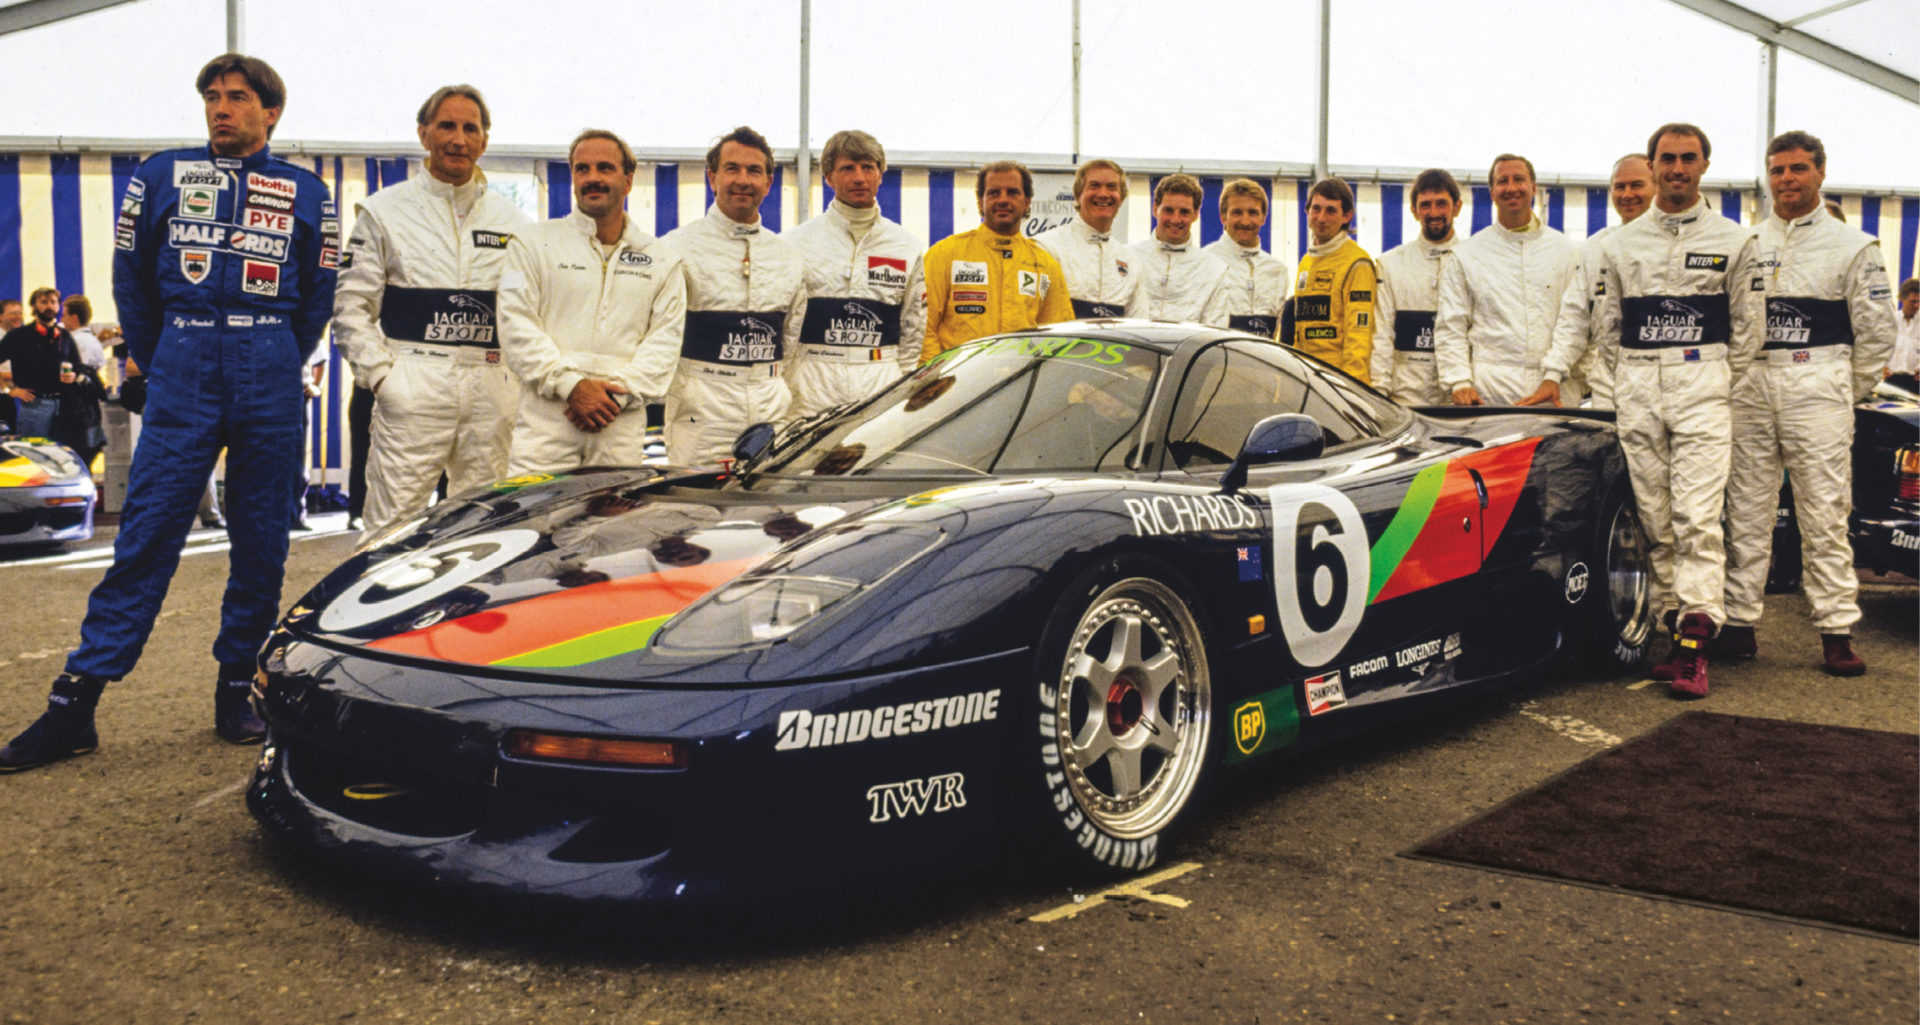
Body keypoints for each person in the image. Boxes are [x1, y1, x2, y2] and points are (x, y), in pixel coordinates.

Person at [0, 53, 337, 771]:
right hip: (183, 362)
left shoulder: (308, 191)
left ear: (270, 112)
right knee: (147, 532)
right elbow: (132, 277)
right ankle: (75, 704)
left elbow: (317, 293)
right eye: (212, 97)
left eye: (238, 98)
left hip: (270, 365)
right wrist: (165, 357)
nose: (221, 109)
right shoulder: (157, 175)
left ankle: (234, 688)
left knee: (262, 540)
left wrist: (275, 351)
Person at [1523, 122, 1762, 698]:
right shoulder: (1617, 246)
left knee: (1698, 515)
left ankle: (1694, 643)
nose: (1677, 169)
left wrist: (1704, 376)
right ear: (1653, 167)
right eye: (1667, 159)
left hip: (1703, 384)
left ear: (1705, 164)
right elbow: (1604, 330)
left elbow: (1750, 333)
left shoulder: (1736, 240)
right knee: (1655, 516)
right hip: (1636, 384)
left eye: (1688, 159)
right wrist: (1636, 372)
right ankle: (1679, 629)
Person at [1719, 131, 1896, 675]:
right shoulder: (1745, 243)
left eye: (1798, 169)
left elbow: (1878, 336)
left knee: (1824, 511)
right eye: (1778, 170)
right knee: (1745, 509)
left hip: (1818, 384)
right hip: (1752, 383)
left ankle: (1836, 631)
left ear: (1820, 172)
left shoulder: (1854, 246)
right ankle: (1740, 622)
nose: (1787, 180)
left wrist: (1839, 383)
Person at [333, 84, 529, 540]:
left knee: (483, 526)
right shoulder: (384, 211)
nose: (458, 139)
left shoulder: (514, 222)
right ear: (424, 134)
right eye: (446, 126)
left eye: (470, 128)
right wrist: (383, 377)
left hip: (491, 389)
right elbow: (350, 307)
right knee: (391, 529)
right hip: (413, 387)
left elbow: (525, 312)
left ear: (484, 141)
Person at [498, 130, 686, 474]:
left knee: (608, 523)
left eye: (605, 168)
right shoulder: (532, 244)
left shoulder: (662, 259)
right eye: (582, 169)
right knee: (533, 522)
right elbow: (516, 325)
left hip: (618, 422)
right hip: (546, 421)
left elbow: (664, 343)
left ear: (628, 180)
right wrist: (571, 386)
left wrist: (614, 396)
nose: (593, 178)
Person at [660, 125, 806, 466]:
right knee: (699, 508)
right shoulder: (675, 248)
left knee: (768, 508)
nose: (743, 180)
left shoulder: (788, 255)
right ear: (712, 178)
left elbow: (791, 337)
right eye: (732, 169)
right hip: (701, 411)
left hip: (772, 406)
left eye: (754, 171)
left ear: (769, 183)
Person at [785, 130, 926, 418]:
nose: (859, 177)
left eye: (868, 167)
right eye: (847, 168)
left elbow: (913, 326)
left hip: (880, 381)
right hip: (811, 384)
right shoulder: (795, 243)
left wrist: (899, 380)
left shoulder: (906, 245)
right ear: (828, 177)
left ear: (880, 173)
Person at [1435, 154, 1579, 406]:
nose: (1511, 188)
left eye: (1519, 180)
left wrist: (1555, 374)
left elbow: (1577, 321)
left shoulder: (1567, 251)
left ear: (1534, 187)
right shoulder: (1468, 254)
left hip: (1554, 390)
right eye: (1503, 181)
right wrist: (1459, 381)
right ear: (1492, 192)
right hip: (1489, 394)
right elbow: (1451, 325)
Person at [1529, 154, 1657, 410]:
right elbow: (1575, 318)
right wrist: (1553, 374)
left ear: (1657, 186)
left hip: (1665, 387)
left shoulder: (1677, 242)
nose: (1627, 194)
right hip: (1610, 388)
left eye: (1636, 185)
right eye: (1620, 187)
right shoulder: (1596, 246)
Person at [920, 160, 1073, 362]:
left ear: (1027, 201)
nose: (1003, 200)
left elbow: (1058, 334)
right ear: (980, 201)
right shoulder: (945, 254)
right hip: (958, 385)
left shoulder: (1045, 265)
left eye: (1012, 192)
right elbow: (922, 326)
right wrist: (936, 378)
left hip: (1019, 384)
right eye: (994, 193)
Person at [1371, 169, 1462, 404]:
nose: (1433, 213)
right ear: (1413, 211)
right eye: (1425, 205)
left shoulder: (1474, 260)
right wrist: (1379, 395)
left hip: (1458, 401)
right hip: (1405, 401)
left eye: (1441, 203)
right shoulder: (1390, 264)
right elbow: (1381, 336)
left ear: (1457, 207)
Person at [1285, 178, 1376, 383]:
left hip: (1340, 381)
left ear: (1347, 216)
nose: (1321, 217)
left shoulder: (1357, 263)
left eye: (1331, 211)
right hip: (1308, 377)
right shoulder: (1306, 261)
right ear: (1307, 212)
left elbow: (1359, 335)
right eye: (1316, 209)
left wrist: (1353, 388)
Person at [1034, 159, 1136, 318]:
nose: (1103, 194)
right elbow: (1033, 311)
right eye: (1094, 186)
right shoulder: (1046, 247)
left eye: (1111, 187)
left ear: (1121, 197)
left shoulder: (1130, 260)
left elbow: (1138, 322)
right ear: (1078, 194)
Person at [1128, 173, 1229, 324]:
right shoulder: (1128, 258)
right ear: (1155, 209)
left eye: (1184, 212)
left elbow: (1215, 329)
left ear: (1195, 214)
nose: (1175, 219)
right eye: (1168, 210)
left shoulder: (1214, 269)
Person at [1202, 178, 1288, 336]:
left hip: (1261, 358)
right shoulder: (1205, 261)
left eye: (1253, 212)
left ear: (1263, 217)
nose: (1245, 221)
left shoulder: (1278, 270)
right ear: (1223, 217)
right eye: (1237, 212)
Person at [0, 288, 82, 438]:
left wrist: (73, 375)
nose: (49, 306)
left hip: (63, 405)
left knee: (61, 456)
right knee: (34, 455)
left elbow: (77, 366)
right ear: (33, 307)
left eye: (53, 302)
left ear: (59, 306)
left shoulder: (64, 336)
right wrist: (10, 390)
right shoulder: (18, 335)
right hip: (34, 406)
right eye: (43, 302)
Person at [1887, 278, 1920, 392]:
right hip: (1892, 379)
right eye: (1913, 301)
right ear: (1902, 299)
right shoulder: (1891, 320)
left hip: (1916, 381)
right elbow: (1880, 347)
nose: (1917, 305)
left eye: (1919, 301)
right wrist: (1881, 368)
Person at [61, 295, 105, 368]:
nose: (62, 320)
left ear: (74, 318)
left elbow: (78, 372)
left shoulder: (74, 342)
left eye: (64, 315)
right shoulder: (95, 341)